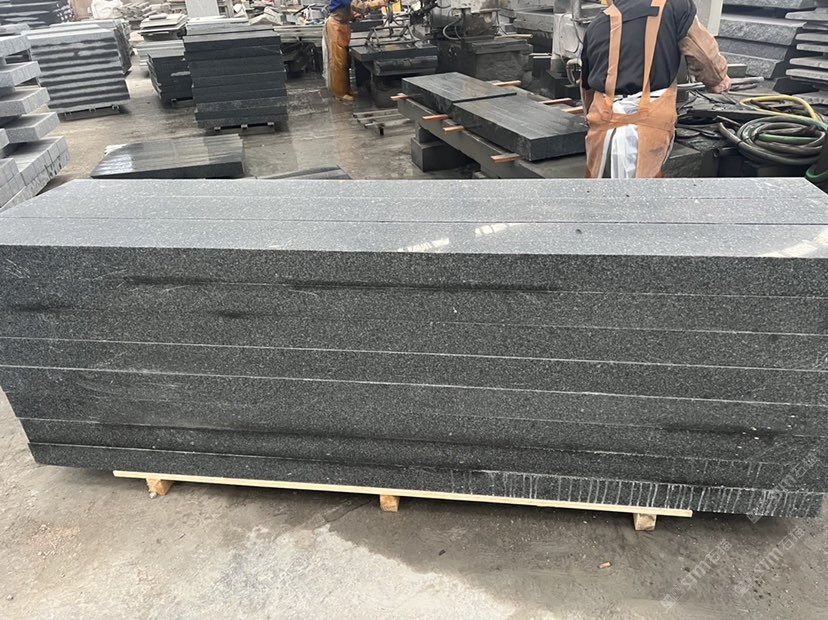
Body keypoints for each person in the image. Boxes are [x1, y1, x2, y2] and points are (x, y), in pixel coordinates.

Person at [580, 0, 731, 178]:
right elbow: (703, 54)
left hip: (602, 129)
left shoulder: (597, 24)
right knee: (644, 189)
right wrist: (717, 79)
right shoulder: (675, 5)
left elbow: (587, 89)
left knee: (599, 188)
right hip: (649, 124)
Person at [324, 0, 388, 102]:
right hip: (336, 26)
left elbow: (348, 7)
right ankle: (340, 93)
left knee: (344, 61)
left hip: (343, 25)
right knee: (338, 62)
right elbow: (358, 5)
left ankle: (346, 90)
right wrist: (378, 3)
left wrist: (353, 16)